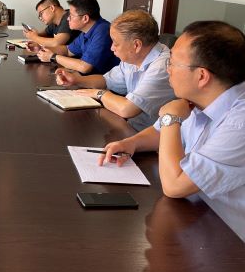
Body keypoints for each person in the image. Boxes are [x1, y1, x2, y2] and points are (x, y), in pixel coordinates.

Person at [98, 21, 245, 240]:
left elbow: (175, 186)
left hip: (227, 238)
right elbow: (158, 133)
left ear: (202, 76)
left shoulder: (239, 123)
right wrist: (132, 143)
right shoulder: (203, 97)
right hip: (195, 212)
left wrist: (170, 118)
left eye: (173, 63)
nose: (168, 69)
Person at [55, 10, 174, 131]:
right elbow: (106, 80)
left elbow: (126, 109)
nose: (112, 48)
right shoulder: (134, 57)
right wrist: (77, 80)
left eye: (116, 43)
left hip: (153, 136)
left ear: (136, 45)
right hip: (132, 127)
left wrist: (99, 94)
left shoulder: (162, 67)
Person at [37, 0, 119, 74]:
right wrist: (42, 49)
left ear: (85, 18)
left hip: (104, 81)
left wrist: (53, 57)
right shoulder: (86, 31)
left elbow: (85, 67)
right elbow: (68, 50)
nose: (68, 19)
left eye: (71, 15)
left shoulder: (103, 31)